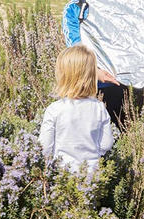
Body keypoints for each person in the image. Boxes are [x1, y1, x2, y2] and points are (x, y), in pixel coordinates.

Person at [38, 45, 113, 173]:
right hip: (93, 176)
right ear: (91, 76)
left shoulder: (54, 109)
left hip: (62, 175)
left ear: (63, 76)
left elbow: (44, 147)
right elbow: (106, 144)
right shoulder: (99, 108)